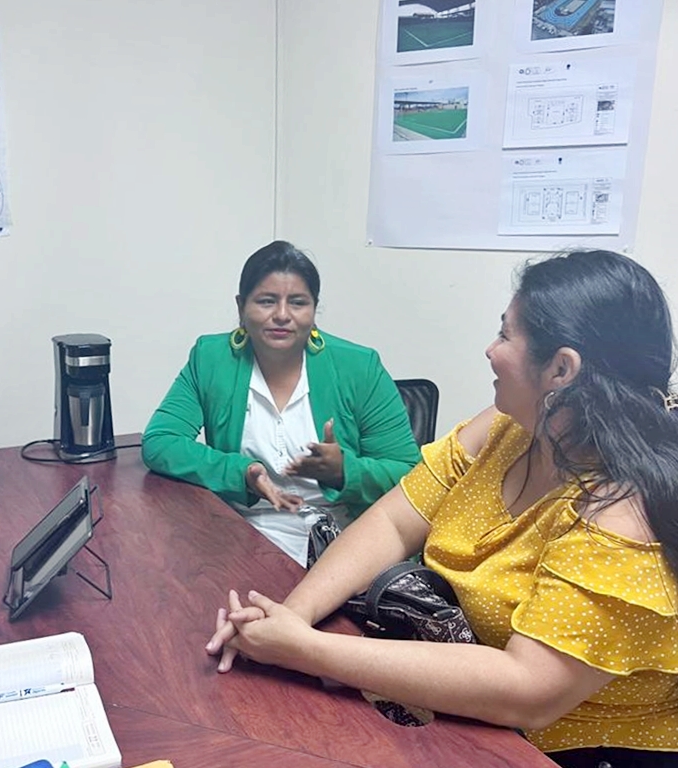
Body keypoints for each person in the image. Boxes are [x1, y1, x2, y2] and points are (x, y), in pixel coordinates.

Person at [206, 249, 678, 767]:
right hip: (461, 711)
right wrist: (294, 615)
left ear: (561, 369)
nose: (490, 350)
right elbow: (394, 520)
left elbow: (528, 690)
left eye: (505, 335)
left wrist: (304, 649)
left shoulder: (624, 517)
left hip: (562, 751)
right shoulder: (507, 427)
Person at [142, 240, 420, 565]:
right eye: (266, 301)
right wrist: (243, 474)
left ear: (314, 309)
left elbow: (409, 474)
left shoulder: (359, 367)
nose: (282, 315)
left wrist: (343, 472)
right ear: (241, 307)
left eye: (298, 303)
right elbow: (160, 442)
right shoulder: (211, 359)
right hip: (246, 534)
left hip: (346, 541)